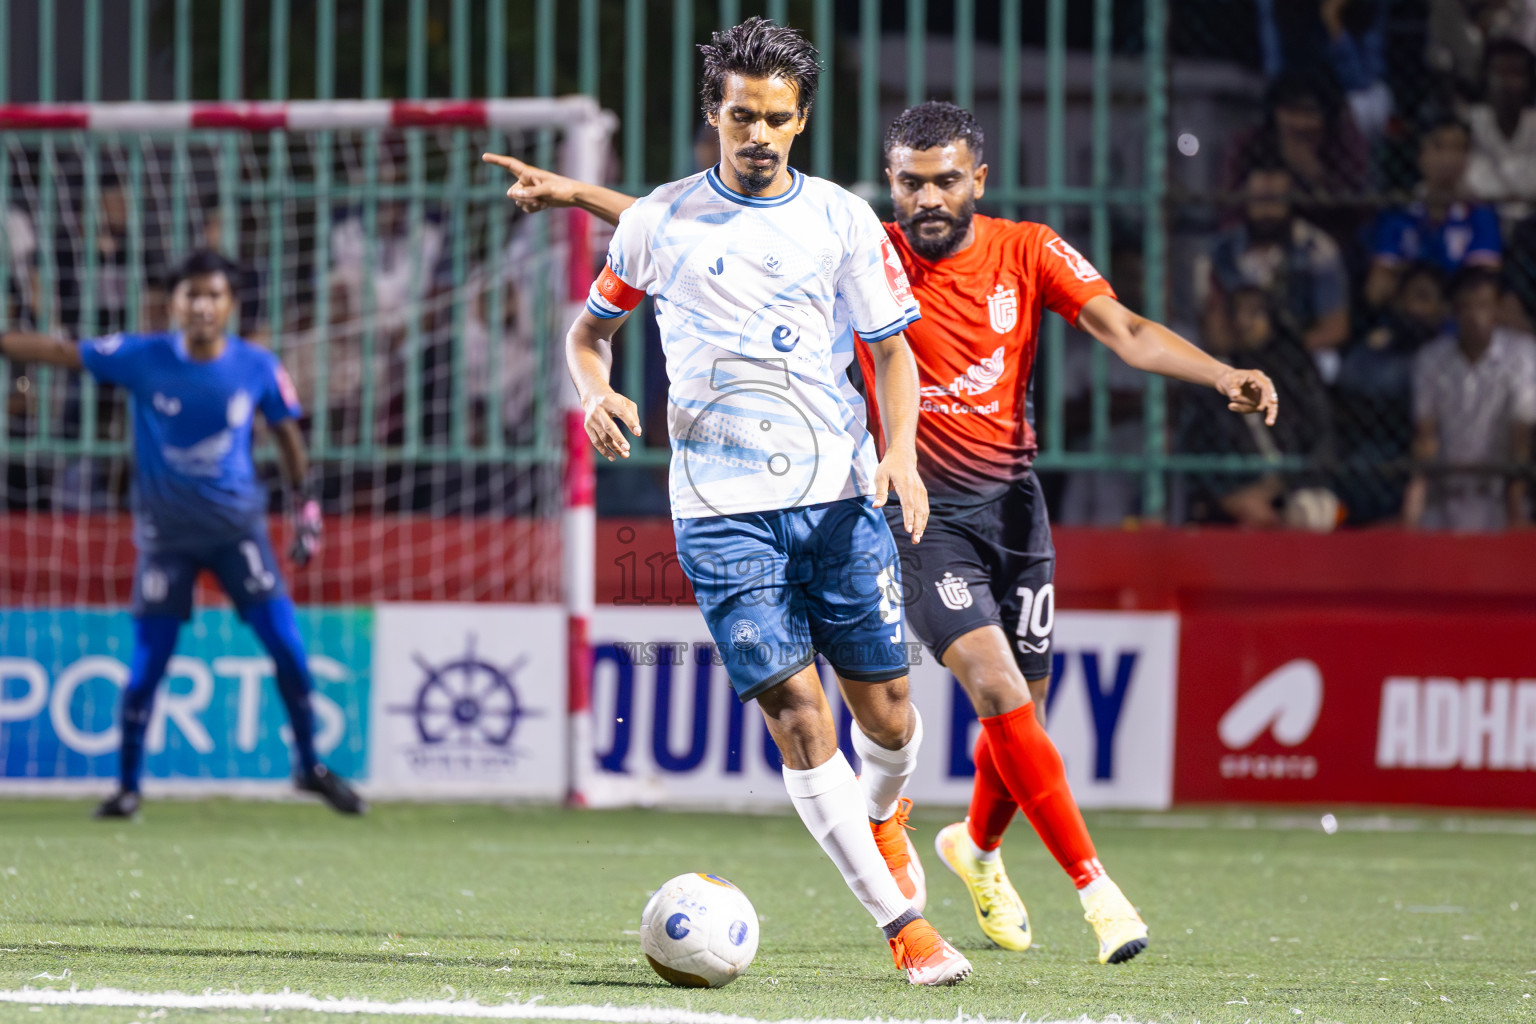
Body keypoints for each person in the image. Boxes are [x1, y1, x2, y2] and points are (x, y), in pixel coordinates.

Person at [486, 100, 1279, 967]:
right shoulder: (868, 241)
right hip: (909, 504)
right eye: (910, 182)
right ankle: (1097, 894)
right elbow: (705, 225)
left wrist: (1219, 373)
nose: (927, 198)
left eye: (945, 181)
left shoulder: (1028, 249)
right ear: (891, 182)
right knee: (991, 686)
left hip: (1014, 506)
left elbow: (1122, 329)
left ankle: (974, 848)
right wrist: (576, 197)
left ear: (979, 178)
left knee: (1018, 720)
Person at [498, 20, 969, 986]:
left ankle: (885, 814)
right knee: (801, 718)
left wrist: (904, 458)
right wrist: (598, 392)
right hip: (718, 511)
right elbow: (588, 335)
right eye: (741, 115)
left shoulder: (840, 218)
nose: (758, 132)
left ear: (801, 121)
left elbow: (889, 352)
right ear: (714, 114)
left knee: (888, 717)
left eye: (777, 118)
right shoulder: (658, 221)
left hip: (838, 498)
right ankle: (906, 930)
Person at [0, 249, 365, 818]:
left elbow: (288, 437)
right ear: (173, 303)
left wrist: (306, 510)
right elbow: (56, 351)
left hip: (237, 534)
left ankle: (310, 767)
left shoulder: (257, 366)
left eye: (213, 295)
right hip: (165, 540)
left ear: (230, 305)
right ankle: (127, 787)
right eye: (191, 295)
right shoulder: (141, 357)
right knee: (146, 669)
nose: (201, 306)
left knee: (289, 650)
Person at [1405, 267, 1536, 530]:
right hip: (1444, 497)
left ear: (1498, 309)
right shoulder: (1431, 359)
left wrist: (1515, 512)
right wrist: (1411, 511)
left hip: (1498, 496)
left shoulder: (1523, 356)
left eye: (1484, 306)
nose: (1476, 316)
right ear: (1454, 311)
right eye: (1467, 307)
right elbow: (1425, 437)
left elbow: (1521, 435)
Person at [1203, 154, 1351, 370]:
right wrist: (1243, 351)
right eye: (1260, 200)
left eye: (1274, 200)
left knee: (1328, 362)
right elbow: (1214, 324)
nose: (1266, 211)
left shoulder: (1315, 247)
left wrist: (1282, 352)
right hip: (1238, 351)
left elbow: (1336, 327)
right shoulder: (1224, 249)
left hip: (1299, 352)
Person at [1366, 115, 1503, 310]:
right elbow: (1376, 291)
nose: (1448, 158)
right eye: (1438, 147)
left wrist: (1404, 273)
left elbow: (1484, 288)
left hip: (1459, 322)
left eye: (1459, 148)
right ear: (1420, 154)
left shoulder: (1480, 214)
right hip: (1406, 318)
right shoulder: (1398, 213)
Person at [1464, 38, 1536, 225]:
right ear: (1485, 77)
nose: (1506, 82)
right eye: (1499, 73)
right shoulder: (1470, 122)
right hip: (1480, 220)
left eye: (1516, 73)